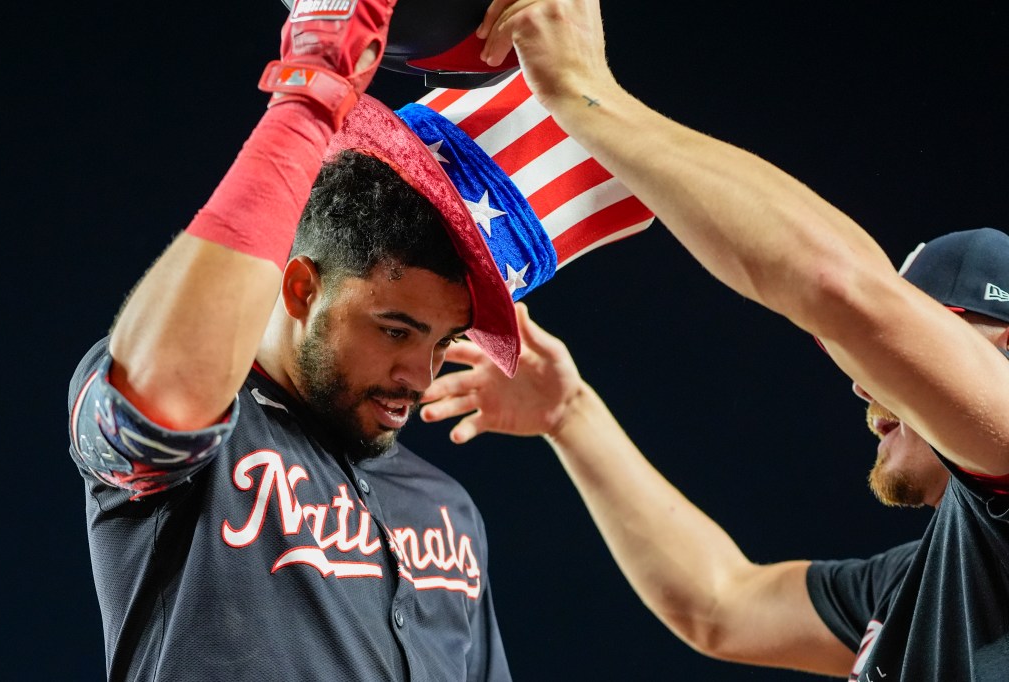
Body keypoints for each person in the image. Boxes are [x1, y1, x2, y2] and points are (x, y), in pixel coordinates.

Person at [419, 1, 1009, 680]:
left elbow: (841, 291)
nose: (867, 377)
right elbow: (719, 604)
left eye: (927, 331)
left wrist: (587, 95)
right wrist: (569, 413)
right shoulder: (916, 585)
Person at [66, 4, 519, 680]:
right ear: (302, 289)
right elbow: (157, 398)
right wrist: (308, 99)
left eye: (445, 341)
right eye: (396, 330)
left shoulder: (449, 508)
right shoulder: (210, 438)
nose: (419, 377)